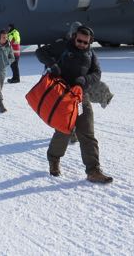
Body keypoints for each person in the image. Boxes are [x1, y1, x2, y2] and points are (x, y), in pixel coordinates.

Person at [36, 25, 113, 184]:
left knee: (87, 133)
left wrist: (85, 80)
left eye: (86, 42)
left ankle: (93, 170)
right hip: (62, 95)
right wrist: (52, 64)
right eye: (79, 41)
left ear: (90, 42)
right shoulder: (63, 46)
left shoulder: (91, 55)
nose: (82, 45)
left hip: (80, 96)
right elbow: (40, 52)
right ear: (74, 37)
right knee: (63, 131)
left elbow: (97, 74)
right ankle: (54, 159)